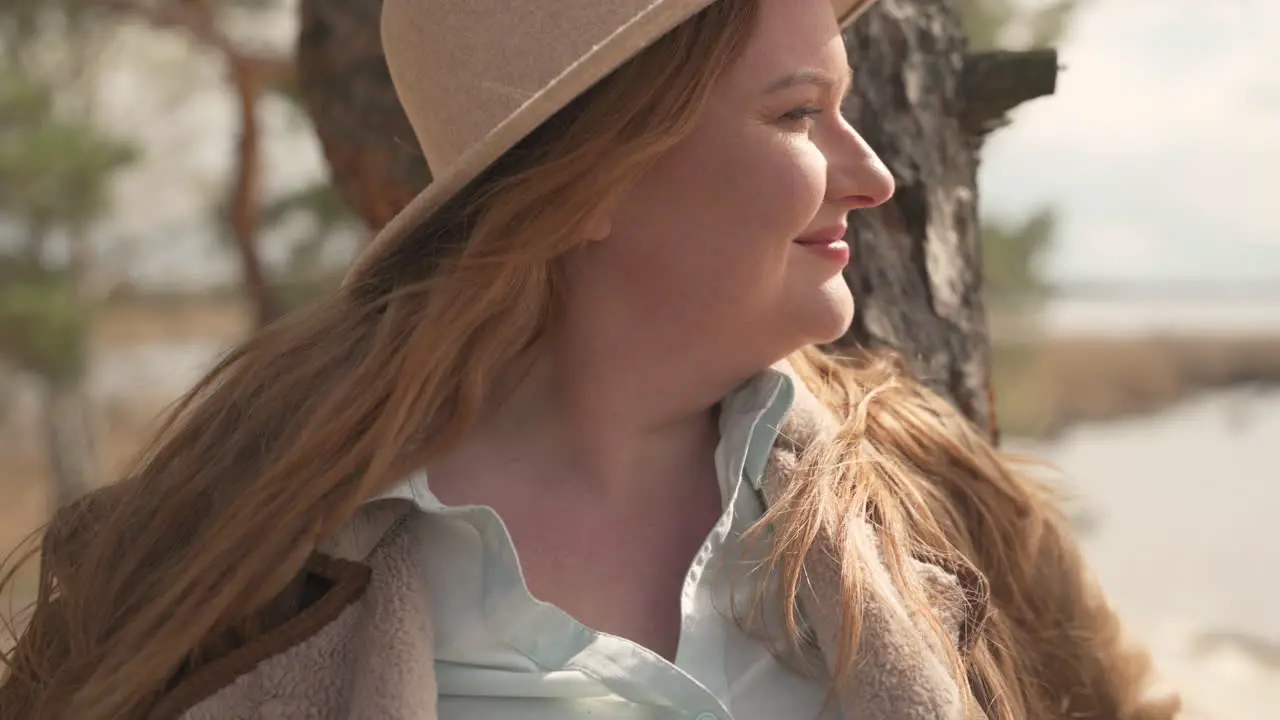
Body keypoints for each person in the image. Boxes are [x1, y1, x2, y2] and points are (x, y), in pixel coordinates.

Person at [0, 0, 1181, 718]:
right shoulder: (215, 573)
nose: (872, 175)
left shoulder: (935, 502)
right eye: (794, 115)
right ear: (595, 177)